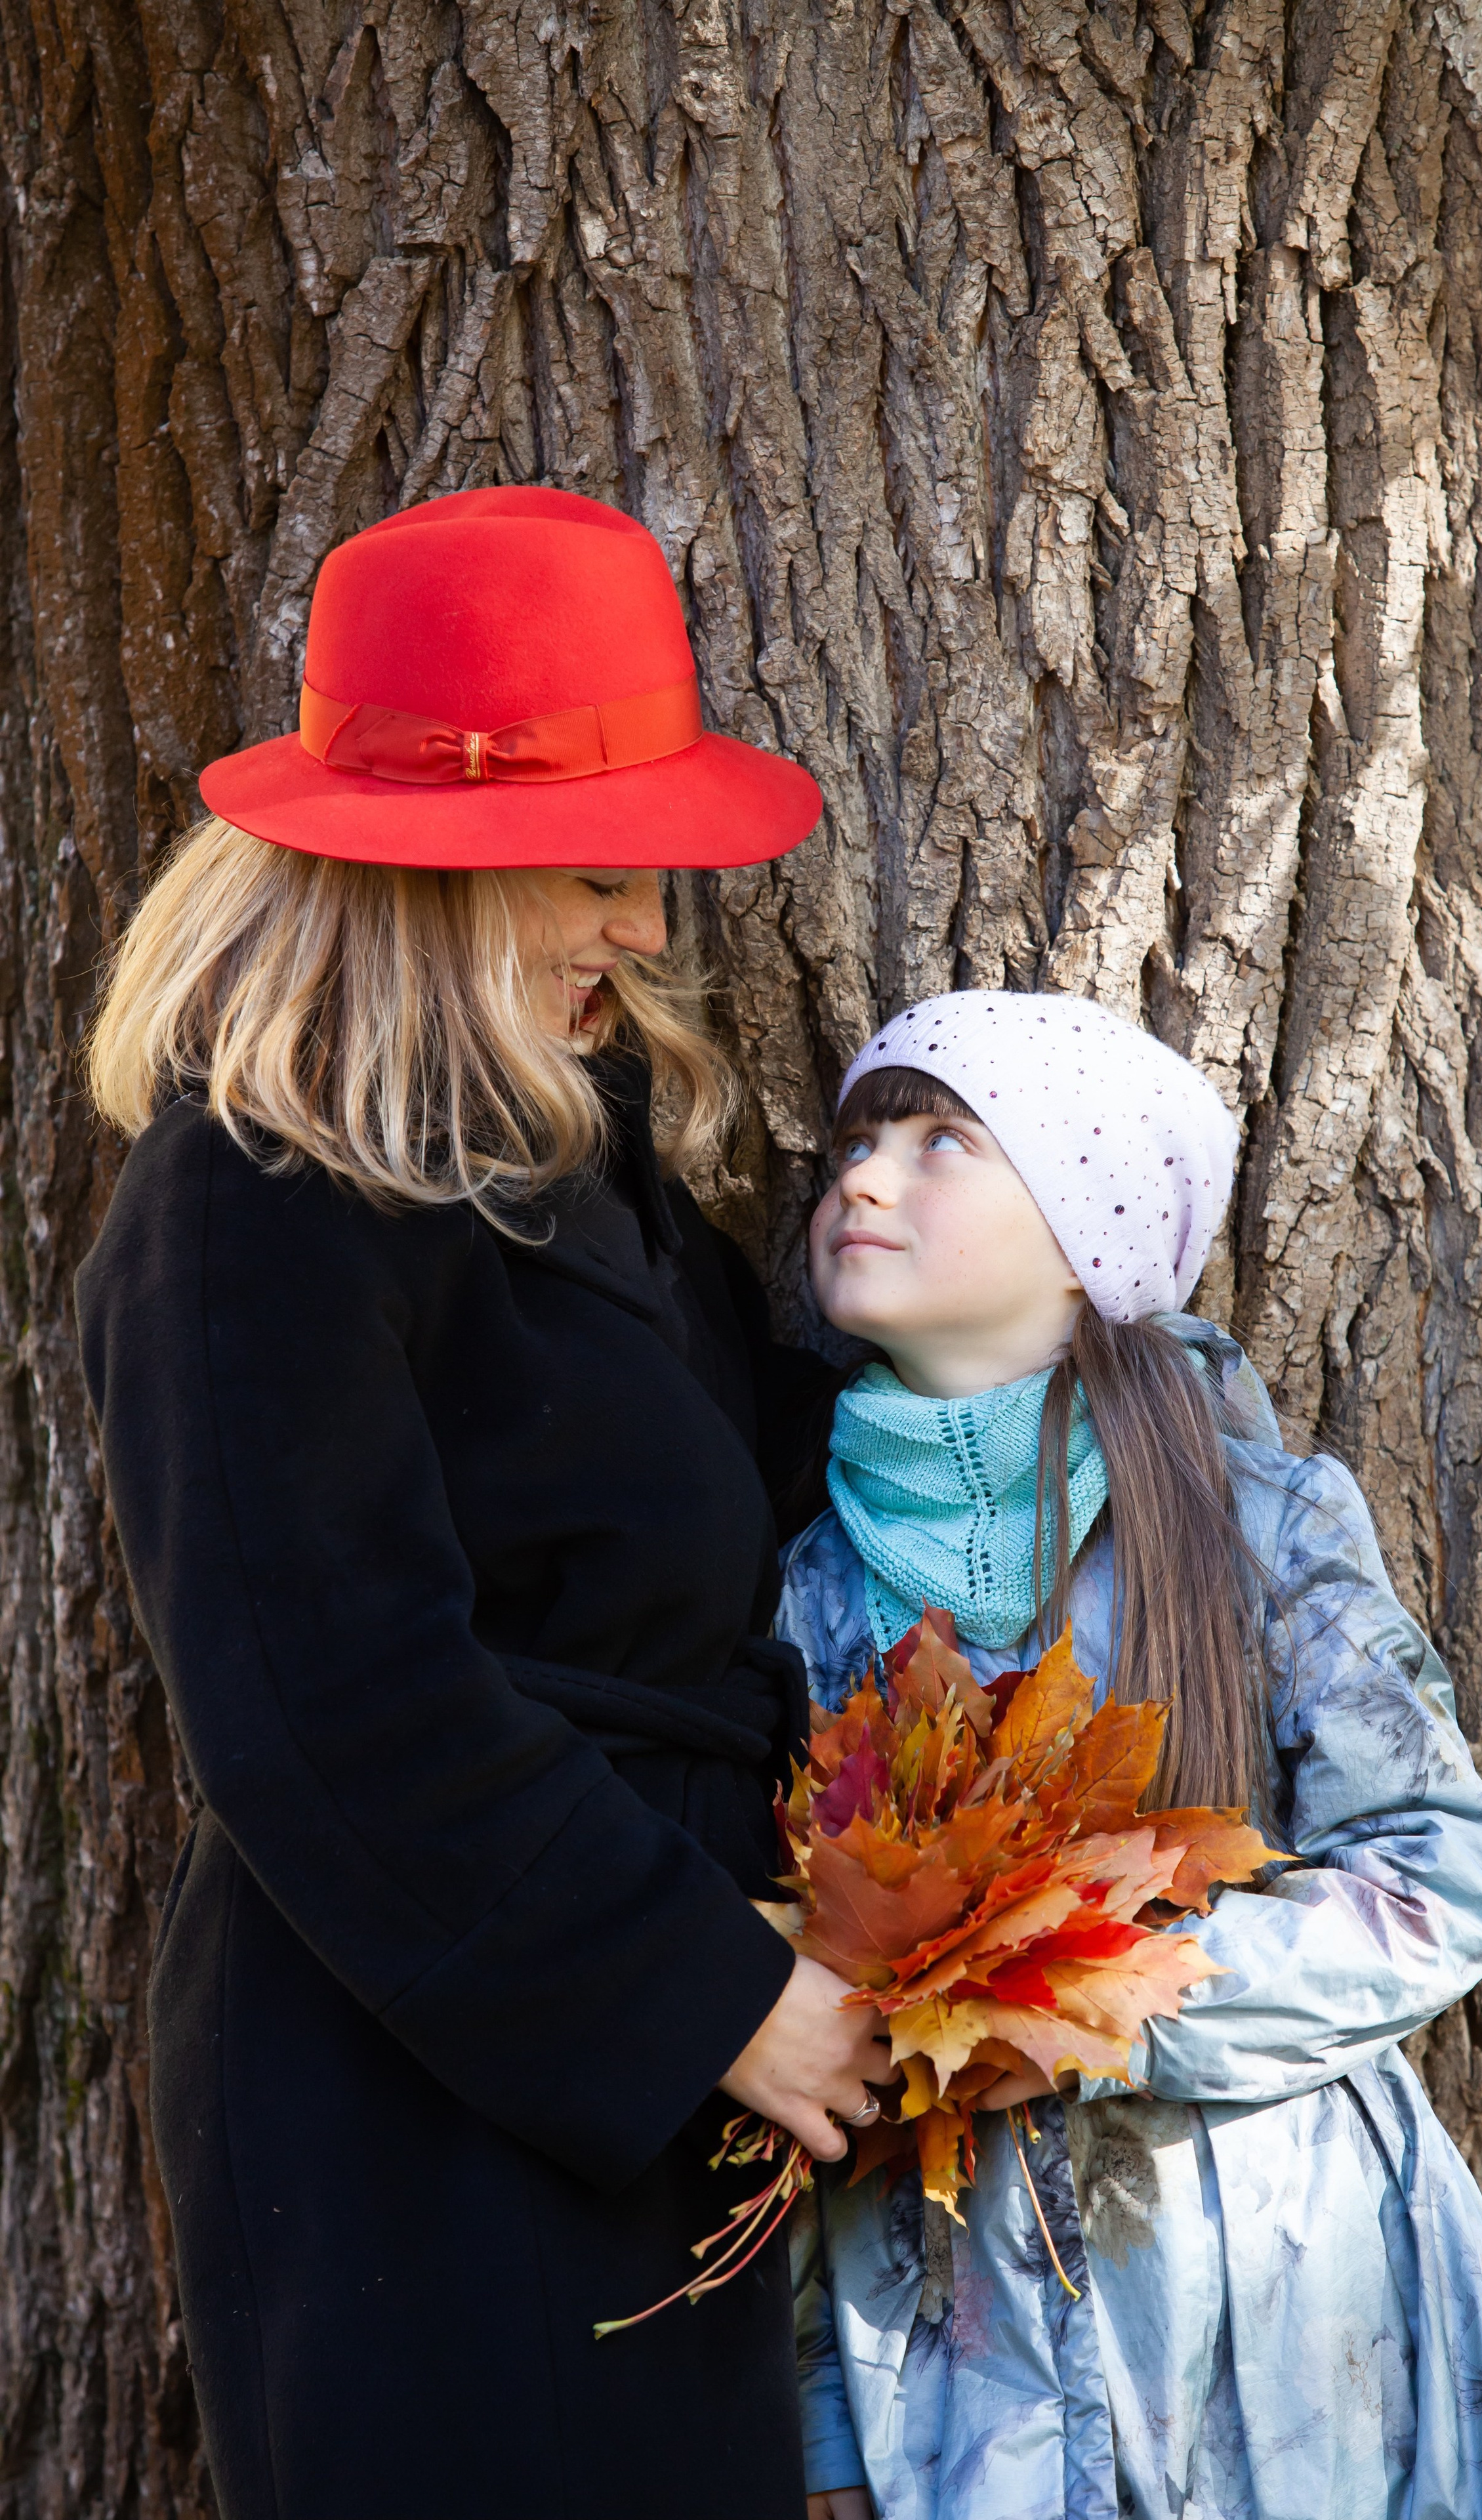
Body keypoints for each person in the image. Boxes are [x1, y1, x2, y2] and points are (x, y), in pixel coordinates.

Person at [73, 485, 893, 2520]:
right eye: (606, 872)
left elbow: (733, 1498)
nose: (648, 926)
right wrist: (712, 2001)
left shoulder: (560, 1150)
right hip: (425, 2098)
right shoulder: (248, 1203)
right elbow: (332, 1707)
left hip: (645, 2064)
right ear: (440, 881)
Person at [779, 990, 1482, 2520]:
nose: (864, 1178)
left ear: (1088, 1238)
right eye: (857, 1142)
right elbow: (806, 2018)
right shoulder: (813, 1582)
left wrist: (1104, 2002)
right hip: (952, 2346)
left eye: (943, 1143)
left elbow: (1438, 1873)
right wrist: (819, 2425)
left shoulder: (1254, 1526)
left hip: (1267, 2310)